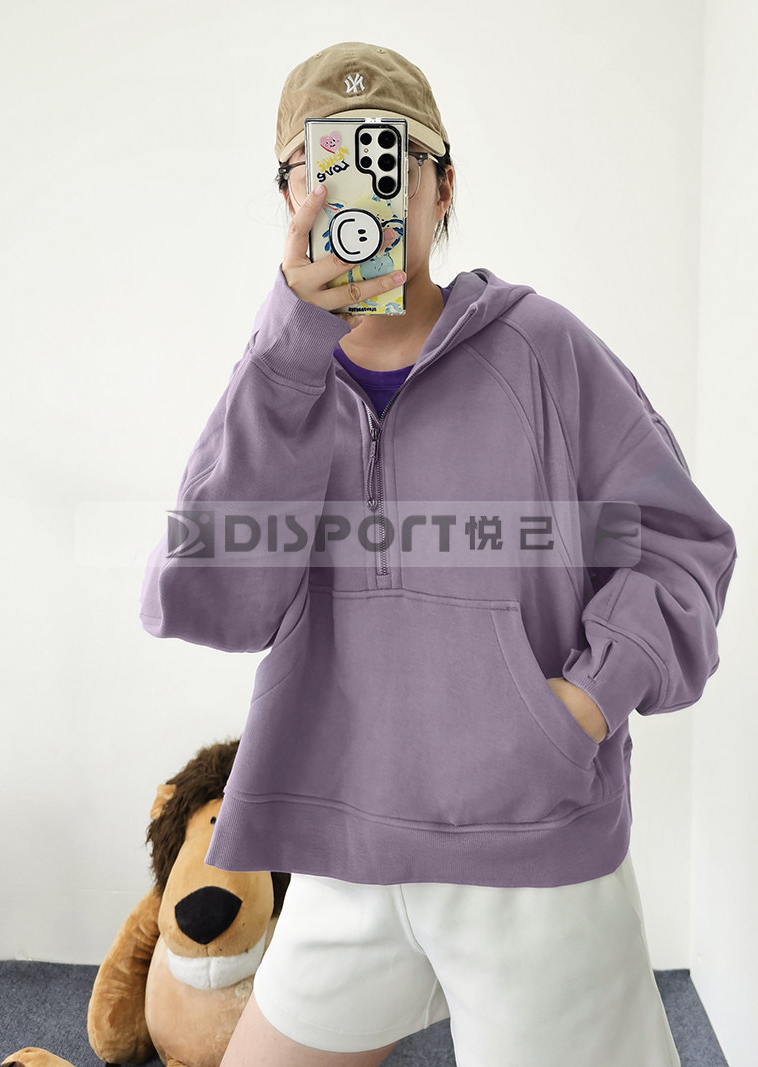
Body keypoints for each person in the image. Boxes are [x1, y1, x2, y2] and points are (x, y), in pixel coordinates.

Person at [139, 41, 737, 1067]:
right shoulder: (278, 381)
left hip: (530, 848)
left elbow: (678, 544)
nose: (355, 192)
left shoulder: (542, 349)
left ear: (440, 185)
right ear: (287, 196)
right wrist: (288, 350)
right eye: (321, 165)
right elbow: (206, 592)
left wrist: (583, 704)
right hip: (339, 845)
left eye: (387, 157)